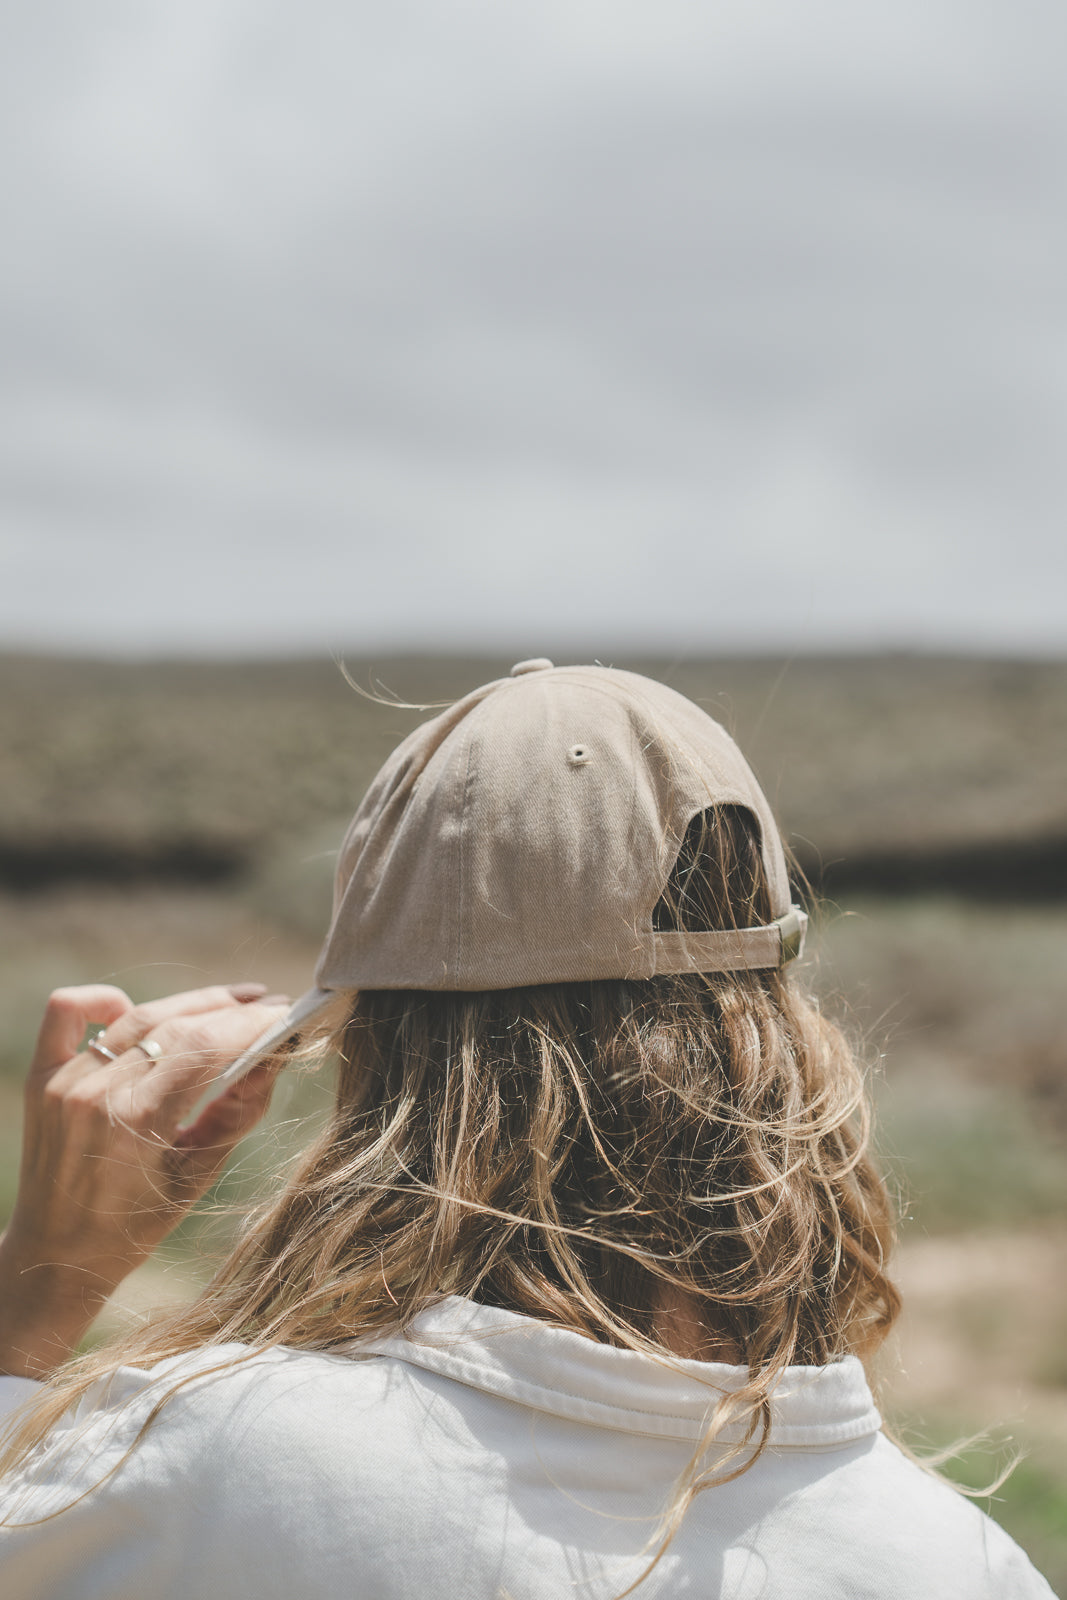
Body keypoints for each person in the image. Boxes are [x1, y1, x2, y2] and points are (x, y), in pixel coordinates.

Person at [0, 660, 1055, 1599]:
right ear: (776, 1041)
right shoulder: (951, 1561)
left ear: (381, 1062)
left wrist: (45, 1283)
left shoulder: (202, 1468)